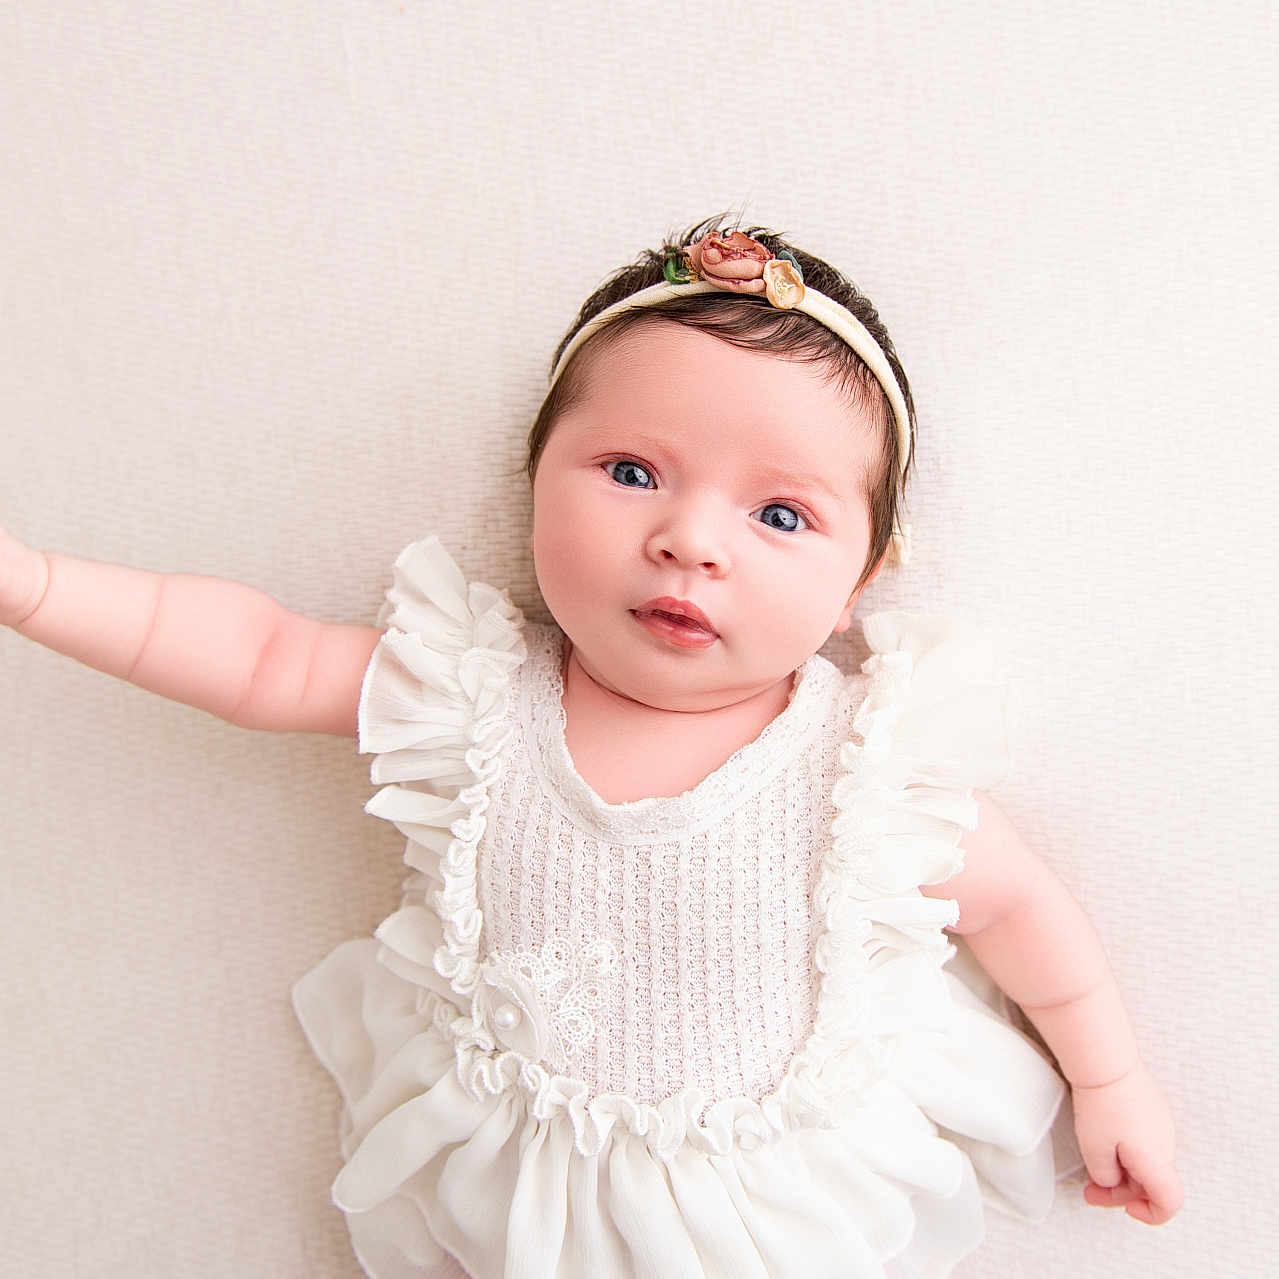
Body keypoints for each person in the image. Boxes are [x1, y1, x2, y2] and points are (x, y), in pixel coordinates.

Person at [0, 218, 1182, 1278]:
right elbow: (261, 655)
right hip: (519, 1187)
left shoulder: (866, 773)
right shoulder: (469, 697)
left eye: (779, 515)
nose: (689, 540)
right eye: (631, 472)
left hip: (766, 1208)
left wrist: (1109, 1077)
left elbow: (1018, 909)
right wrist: (36, 585)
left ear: (856, 585)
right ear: (534, 488)